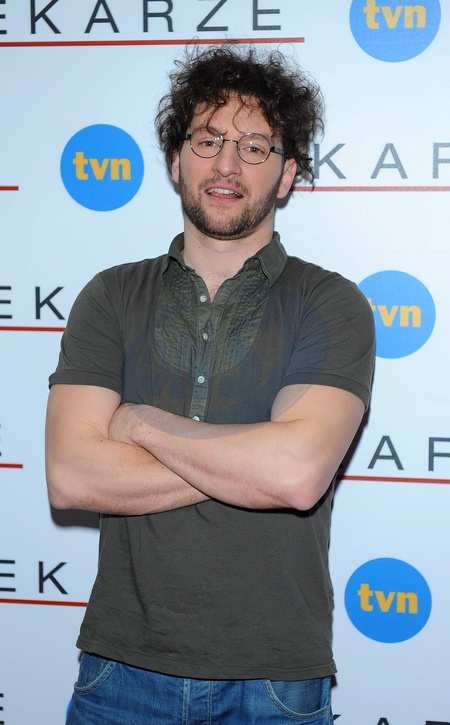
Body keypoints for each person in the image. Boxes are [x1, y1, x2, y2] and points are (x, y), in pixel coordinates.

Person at [45, 43, 375, 725]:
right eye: (208, 140)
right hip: (120, 672)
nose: (227, 165)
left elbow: (295, 476)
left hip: (275, 683)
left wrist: (140, 423)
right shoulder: (111, 296)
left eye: (254, 147)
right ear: (176, 161)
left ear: (286, 175)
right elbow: (72, 475)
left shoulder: (331, 303)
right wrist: (252, 457)